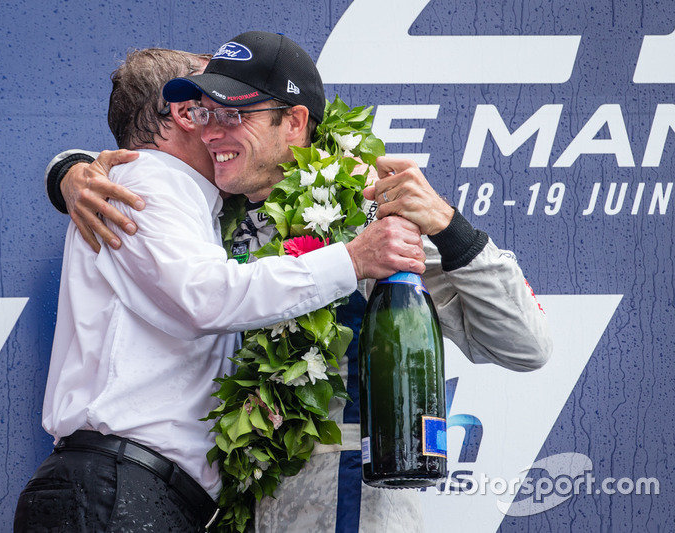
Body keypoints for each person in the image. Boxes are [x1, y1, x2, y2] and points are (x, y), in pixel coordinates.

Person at [44, 32, 552, 533]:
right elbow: (162, 211)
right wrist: (70, 171)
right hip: (226, 510)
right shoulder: (206, 213)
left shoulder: (367, 208)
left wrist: (449, 226)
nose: (212, 132)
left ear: (294, 120)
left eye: (233, 114)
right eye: (207, 114)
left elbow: (524, 345)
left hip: (345, 509)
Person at [16, 46, 425, 532]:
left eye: (233, 110)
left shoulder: (187, 199)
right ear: (187, 115)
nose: (220, 124)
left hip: (134, 491)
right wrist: (352, 258)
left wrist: (67, 167)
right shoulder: (147, 182)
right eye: (213, 106)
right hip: (119, 492)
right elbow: (206, 296)